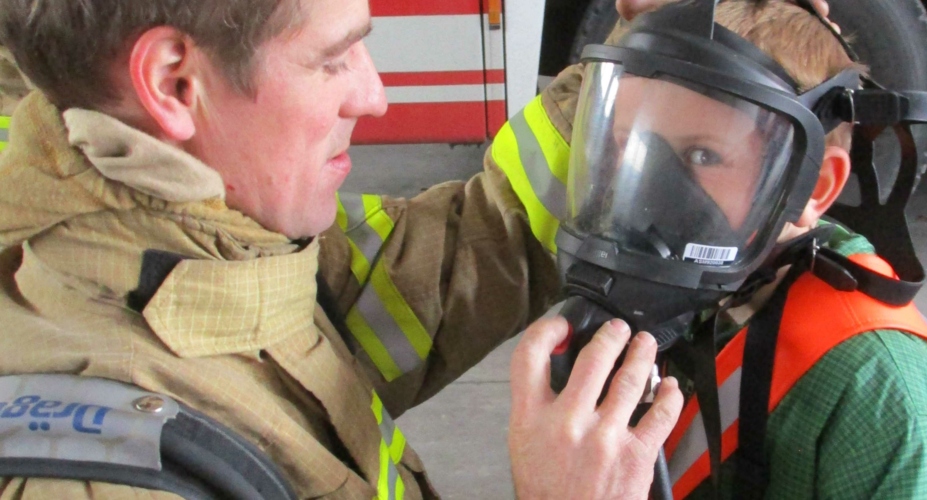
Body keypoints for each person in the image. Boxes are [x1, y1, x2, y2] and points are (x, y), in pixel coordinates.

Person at [0, 0, 691, 497]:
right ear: (175, 83)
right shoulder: (107, 477)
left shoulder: (208, 241)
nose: (374, 95)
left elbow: (468, 254)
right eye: (333, 59)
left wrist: (654, 42)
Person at [500, 1, 927, 498]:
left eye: (703, 155)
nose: (650, 190)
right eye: (629, 145)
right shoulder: (680, 312)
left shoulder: (886, 404)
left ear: (813, 188)